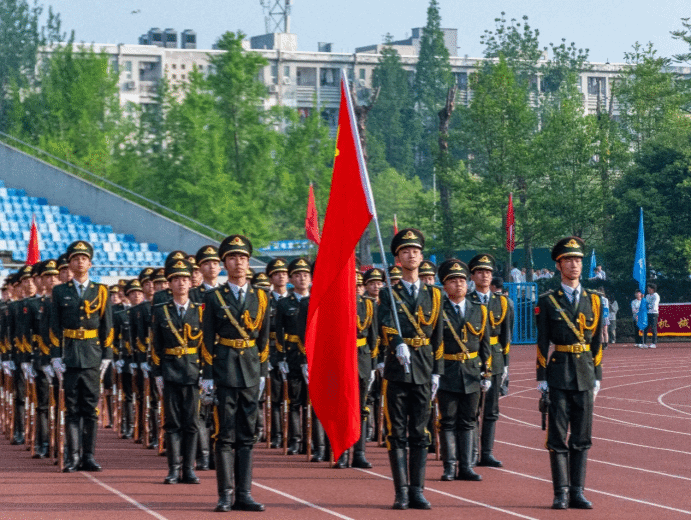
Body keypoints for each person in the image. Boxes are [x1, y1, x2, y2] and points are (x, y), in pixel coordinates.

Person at [202, 235, 269, 512]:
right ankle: (225, 495)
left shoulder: (261, 297)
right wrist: (207, 375)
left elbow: (264, 339)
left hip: (251, 371)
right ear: (224, 263)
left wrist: (262, 372)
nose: (238, 262)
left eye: (242, 257)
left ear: (248, 262)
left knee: (247, 435)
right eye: (232, 258)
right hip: (225, 369)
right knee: (224, 434)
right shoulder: (214, 297)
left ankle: (244, 494)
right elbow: (206, 339)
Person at [535, 236, 603, 510]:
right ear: (558, 265)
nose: (574, 265)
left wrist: (597, 376)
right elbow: (542, 342)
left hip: (585, 374)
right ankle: (560, 492)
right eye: (568, 260)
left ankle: (577, 492)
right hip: (559, 374)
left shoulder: (594, 300)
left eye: (578, 260)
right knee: (557, 436)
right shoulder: (548, 301)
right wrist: (541, 378)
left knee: (582, 437)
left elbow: (597, 342)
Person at [378, 228, 443, 510]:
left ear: (421, 256)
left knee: (420, 432)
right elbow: (385, 322)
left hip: (424, 369)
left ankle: (417, 490)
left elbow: (438, 336)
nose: (411, 255)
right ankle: (400, 492)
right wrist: (397, 344)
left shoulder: (435, 295)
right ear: (398, 259)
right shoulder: (388, 293)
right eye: (405, 251)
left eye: (415, 251)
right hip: (397, 369)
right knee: (396, 432)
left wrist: (437, 371)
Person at [50, 241, 113, 472]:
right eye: (75, 259)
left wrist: (107, 355)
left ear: (90, 263)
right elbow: (54, 325)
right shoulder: (60, 291)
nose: (80, 262)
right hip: (69, 355)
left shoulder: (101, 291)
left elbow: (107, 325)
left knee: (90, 409)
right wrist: (55, 356)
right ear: (69, 264)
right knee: (72, 408)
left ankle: (88, 456)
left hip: (92, 355)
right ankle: (73, 456)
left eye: (84, 258)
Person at [436, 259, 491, 482]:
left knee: (469, 420)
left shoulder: (479, 310)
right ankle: (449, 466)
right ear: (444, 285)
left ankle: (466, 466)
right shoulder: (439, 310)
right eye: (452, 280)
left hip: (471, 372)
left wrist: (487, 373)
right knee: (448, 420)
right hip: (447, 371)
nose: (458, 284)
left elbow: (485, 345)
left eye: (461, 280)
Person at [151, 259, 203, 485]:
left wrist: (206, 373)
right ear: (169, 284)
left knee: (191, 423)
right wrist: (157, 373)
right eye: (176, 279)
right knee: (172, 424)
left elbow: (206, 345)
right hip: (170, 371)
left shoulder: (200, 311)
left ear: (191, 283)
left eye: (185, 279)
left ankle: (189, 469)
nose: (181, 283)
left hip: (193, 371)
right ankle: (173, 469)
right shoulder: (161, 311)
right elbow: (156, 344)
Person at [468, 254, 511, 468]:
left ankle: (487, 453)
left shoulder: (502, 302)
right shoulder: (467, 301)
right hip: (473, 358)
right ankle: (470, 452)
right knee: (471, 409)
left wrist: (506, 364)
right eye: (480, 272)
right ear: (472, 276)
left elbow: (506, 336)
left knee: (491, 409)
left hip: (495, 358)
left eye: (488, 272)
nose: (484, 276)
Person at [275, 259, 317, 459]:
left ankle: (315, 441)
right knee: (294, 401)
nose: (302, 278)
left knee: (314, 401)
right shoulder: (284, 303)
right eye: (298, 275)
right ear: (291, 279)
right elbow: (278, 332)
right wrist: (281, 357)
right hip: (292, 355)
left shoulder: (317, 300)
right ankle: (295, 440)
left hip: (313, 355)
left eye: (306, 275)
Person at [265, 258, 289, 450]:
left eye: (284, 273)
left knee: (294, 398)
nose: (281, 277)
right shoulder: (265, 300)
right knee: (275, 397)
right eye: (277, 274)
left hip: (293, 351)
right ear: (271, 278)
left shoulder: (295, 299)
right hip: (272, 351)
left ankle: (295, 436)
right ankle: (277, 434)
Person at [644, 283, 660, 349]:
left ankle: (654, 343)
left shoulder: (656, 295)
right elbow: (645, 303)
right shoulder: (647, 296)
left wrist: (648, 306)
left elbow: (654, 304)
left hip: (654, 313)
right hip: (648, 313)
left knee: (653, 328)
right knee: (645, 328)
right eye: (647, 288)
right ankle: (644, 342)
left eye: (649, 288)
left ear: (652, 289)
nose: (648, 289)